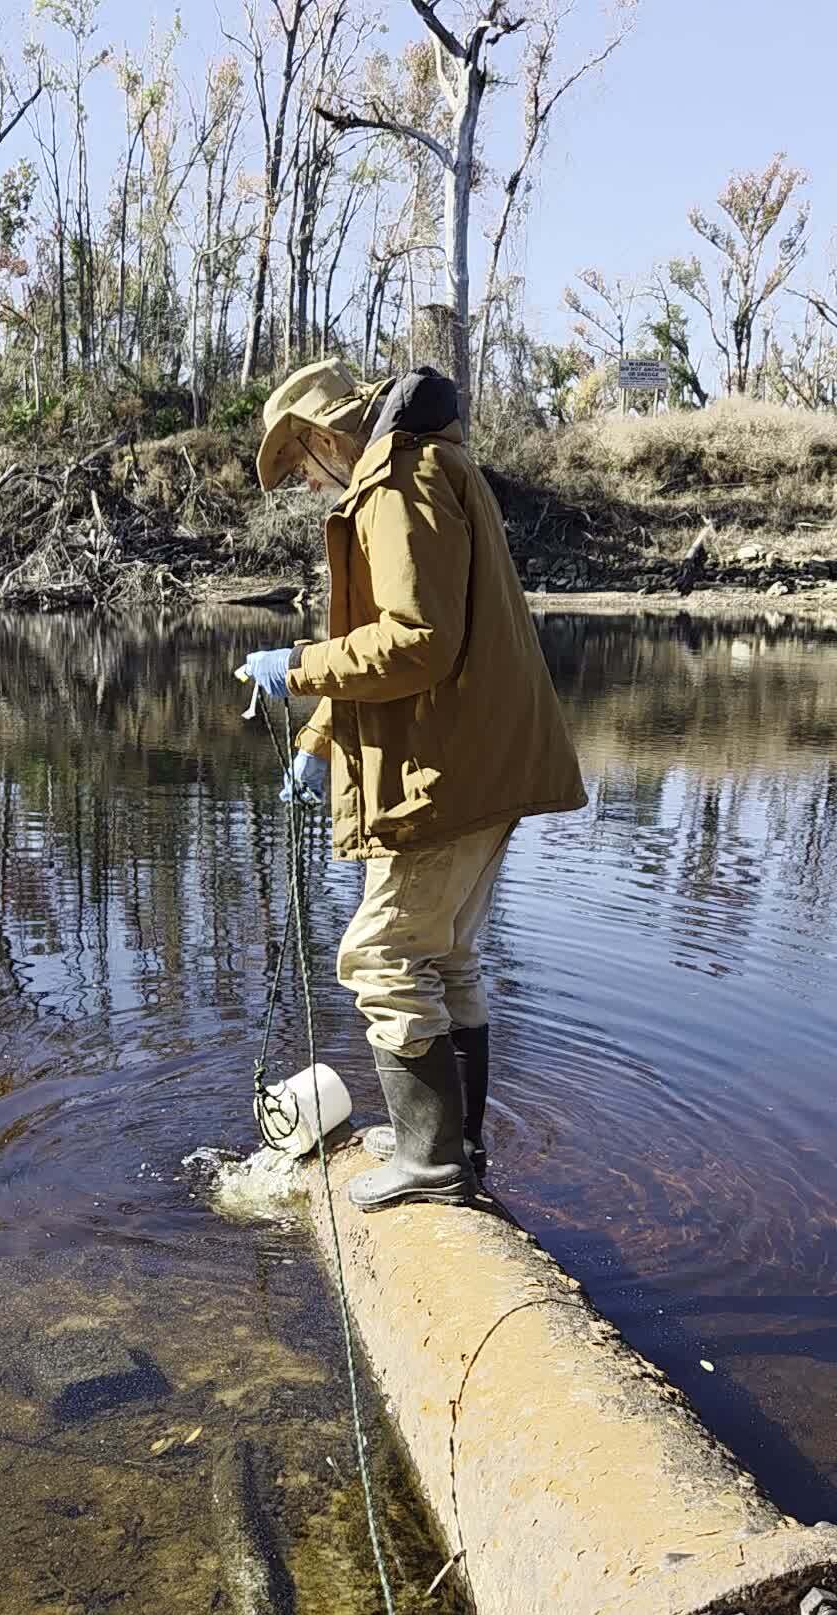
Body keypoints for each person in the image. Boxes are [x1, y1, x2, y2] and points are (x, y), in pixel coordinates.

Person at [241, 356, 586, 1214]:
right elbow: (414, 647)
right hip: (481, 763)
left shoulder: (395, 481)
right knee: (447, 955)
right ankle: (454, 1145)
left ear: (324, 436)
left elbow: (417, 642)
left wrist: (300, 666)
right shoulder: (433, 466)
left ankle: (432, 1166)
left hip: (446, 777)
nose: (306, 486)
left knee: (382, 958)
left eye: (301, 469)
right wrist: (320, 744)